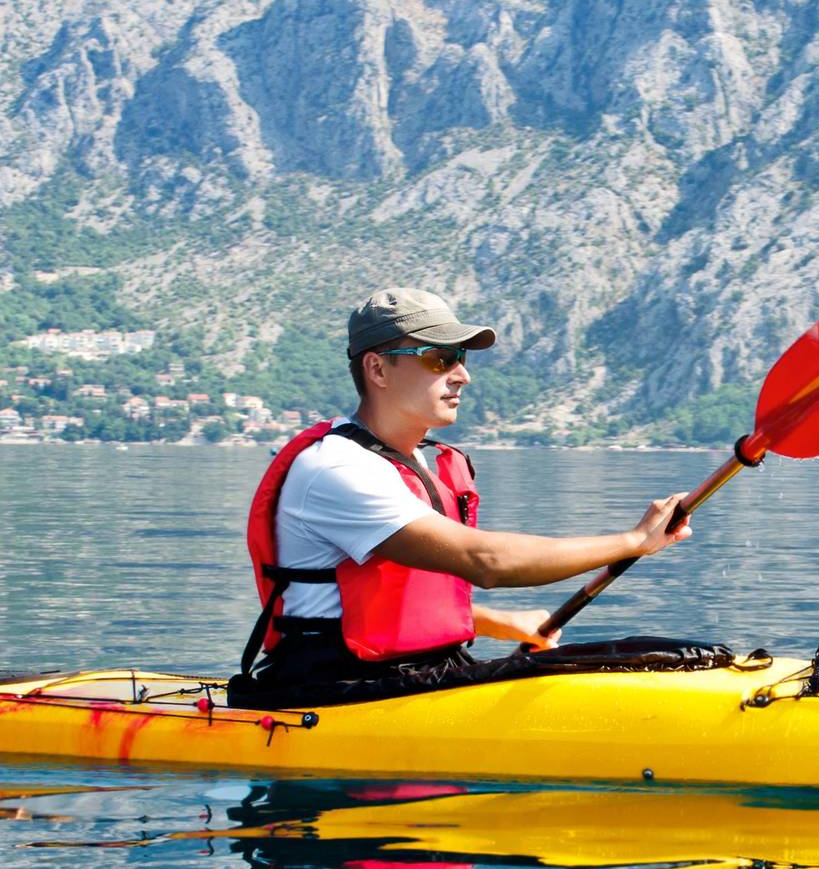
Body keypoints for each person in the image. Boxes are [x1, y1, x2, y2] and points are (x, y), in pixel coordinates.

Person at [228, 287, 689, 707]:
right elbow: (485, 562)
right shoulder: (338, 469)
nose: (462, 375)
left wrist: (492, 621)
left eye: (461, 357)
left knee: (649, 657)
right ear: (377, 369)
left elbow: (386, 598)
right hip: (335, 689)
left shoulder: (412, 460)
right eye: (440, 358)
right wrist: (633, 541)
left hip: (411, 677)